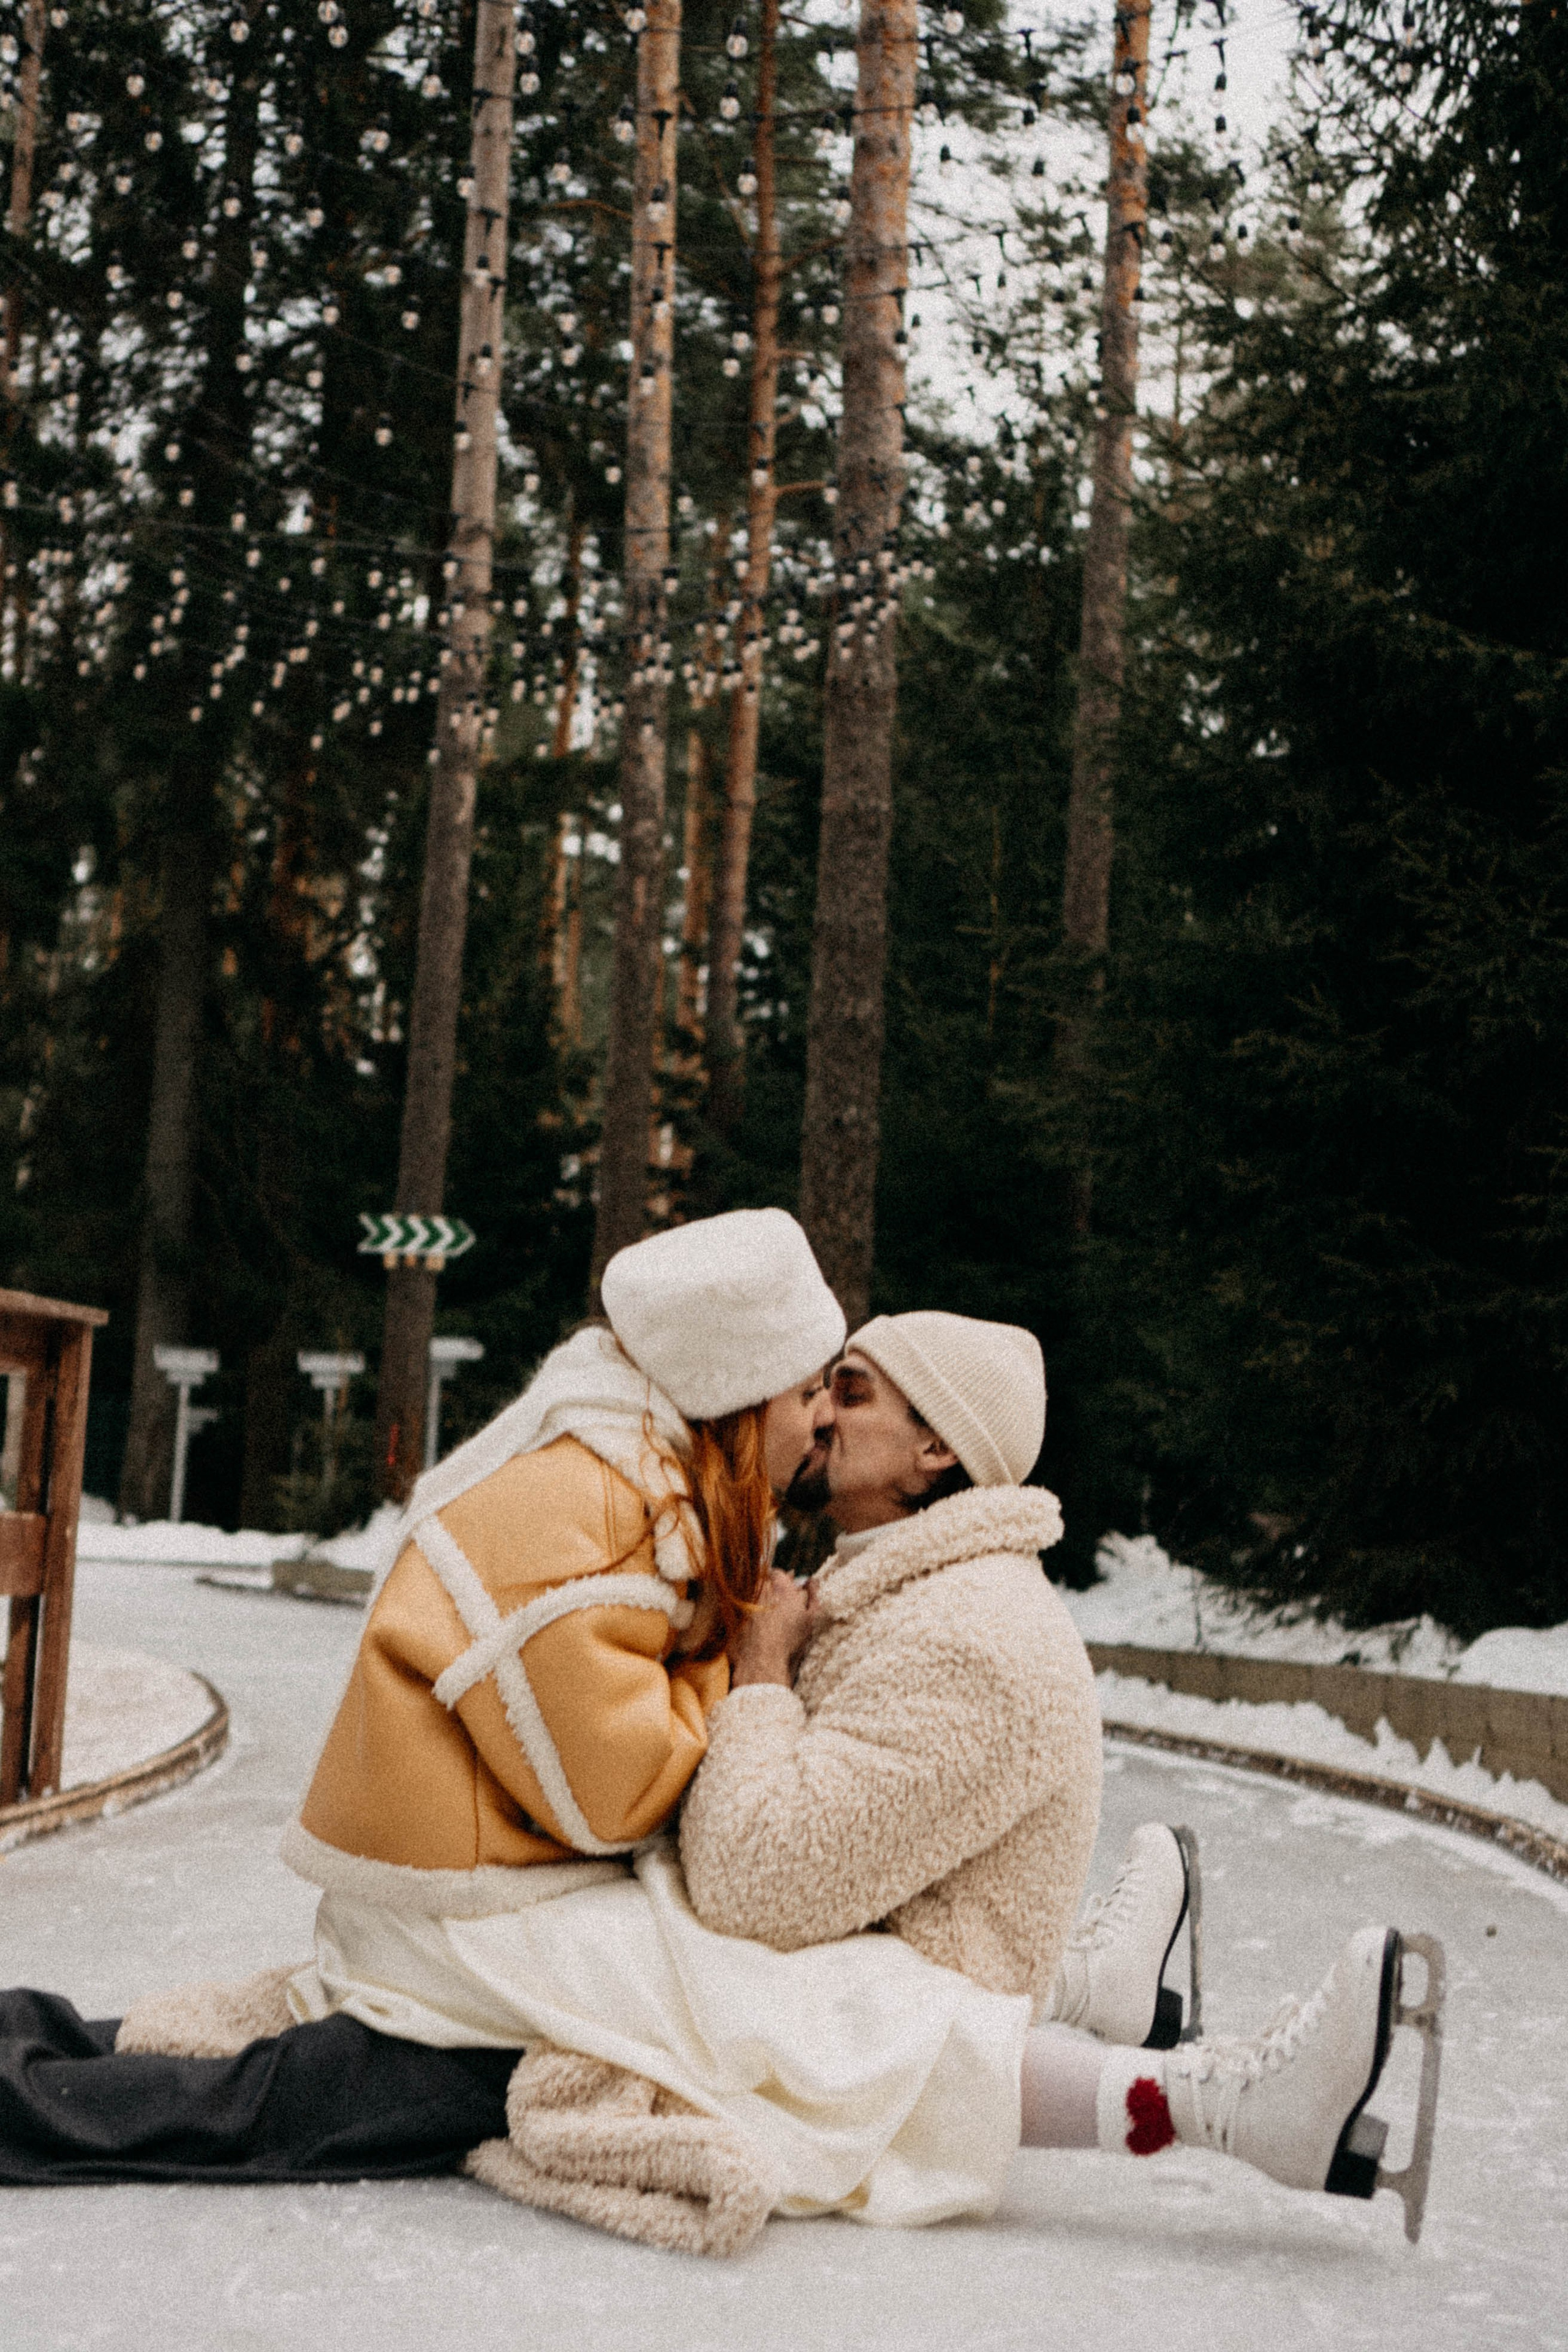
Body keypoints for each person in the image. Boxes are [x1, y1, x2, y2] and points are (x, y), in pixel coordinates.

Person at [0, 1207, 844, 2185]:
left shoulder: (633, 1485)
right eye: (809, 1389)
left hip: (476, 1889)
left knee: (342, 2081)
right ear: (737, 1393)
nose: (824, 1417)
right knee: (380, 2099)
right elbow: (614, 1796)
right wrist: (746, 1668)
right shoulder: (595, 1507)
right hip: (458, 1915)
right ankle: (25, 2100)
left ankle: (32, 2047)